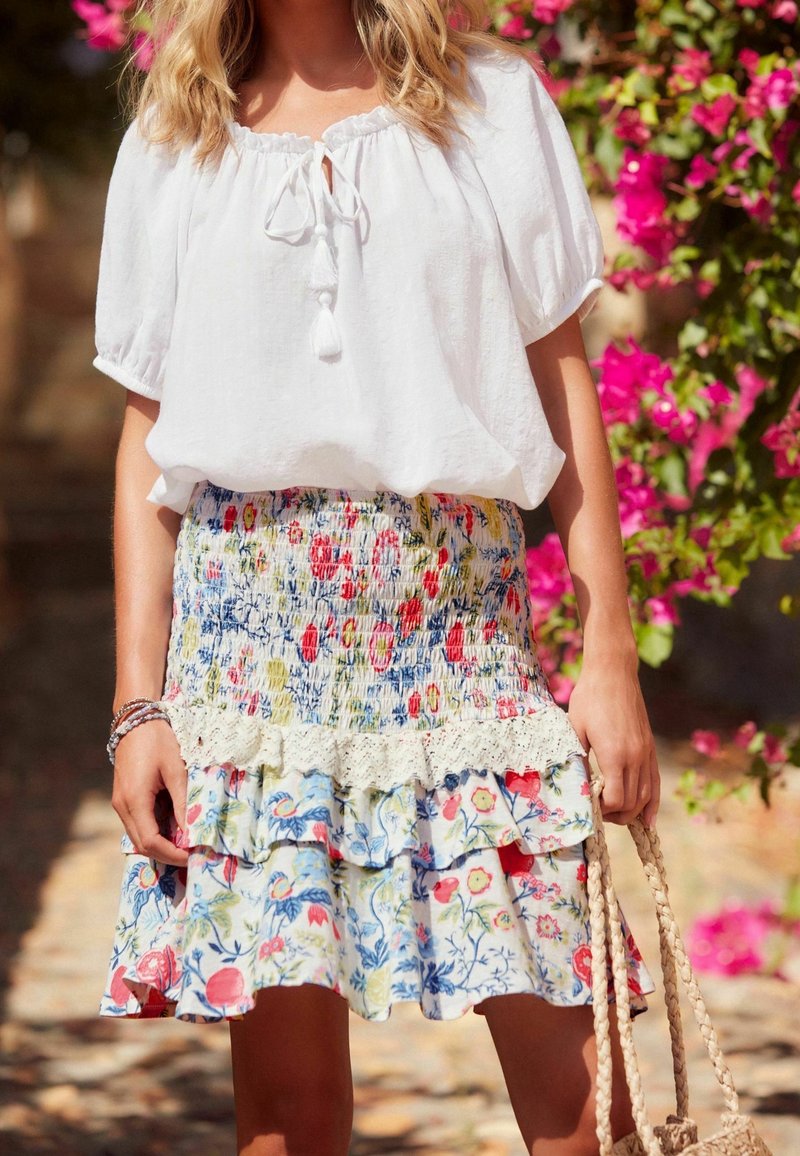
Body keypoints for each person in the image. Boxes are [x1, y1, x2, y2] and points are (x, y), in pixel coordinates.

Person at [94, 1, 661, 1153]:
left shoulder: (490, 103)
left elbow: (561, 382)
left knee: (581, 1102)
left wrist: (606, 654)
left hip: (460, 632)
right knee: (289, 1117)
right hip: (247, 649)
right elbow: (146, 439)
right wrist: (138, 703)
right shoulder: (175, 130)